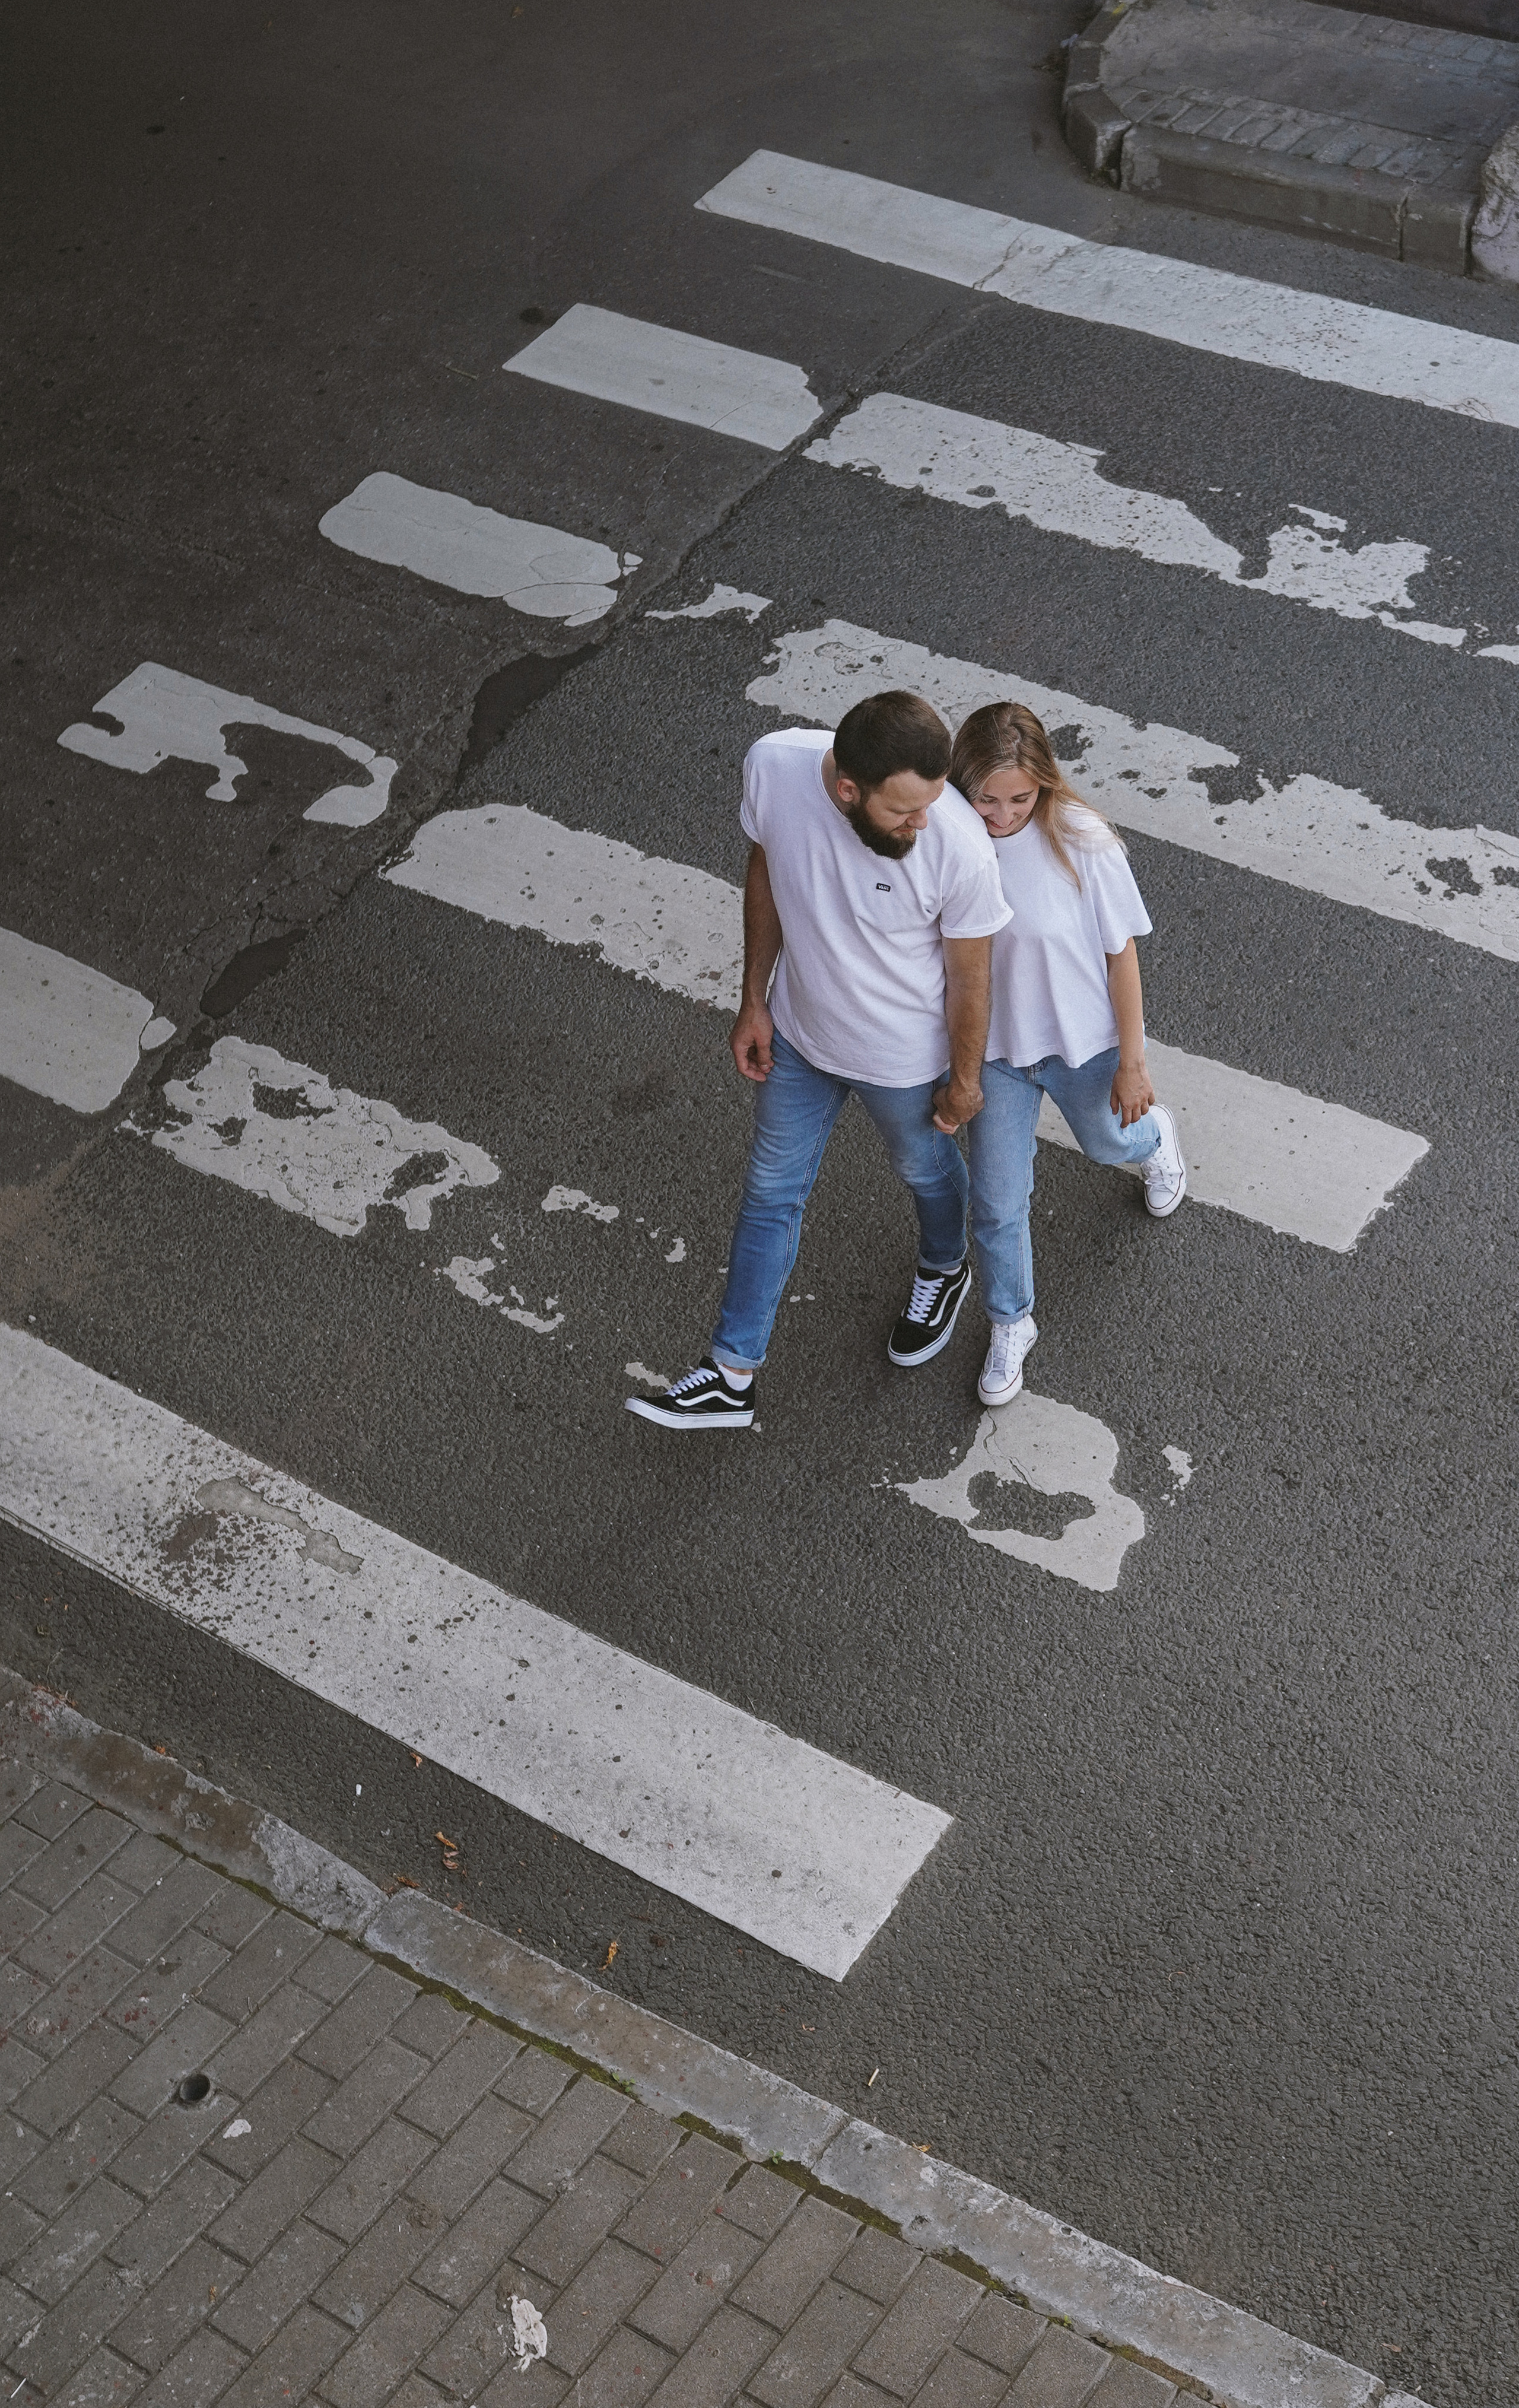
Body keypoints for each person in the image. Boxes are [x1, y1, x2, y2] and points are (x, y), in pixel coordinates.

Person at [626, 691, 1012, 1431]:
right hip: (801, 1038)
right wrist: (753, 997)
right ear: (846, 790)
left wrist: (963, 1081)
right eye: (903, 810)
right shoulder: (774, 766)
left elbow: (971, 975)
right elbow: (767, 869)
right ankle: (729, 1374)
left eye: (930, 803)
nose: (922, 822)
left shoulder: (957, 844)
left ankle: (943, 1265)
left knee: (924, 1170)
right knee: (770, 1191)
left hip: (902, 1060)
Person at [951, 701, 1186, 1412]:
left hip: (1083, 1046)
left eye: (1019, 798)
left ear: (1044, 784)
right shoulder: (948, 841)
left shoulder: (1082, 841)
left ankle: (1155, 1138)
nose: (1001, 814)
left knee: (1108, 1140)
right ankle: (1010, 1320)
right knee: (996, 1202)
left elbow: (1122, 957)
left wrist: (1133, 1063)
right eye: (984, 798)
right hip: (995, 1056)